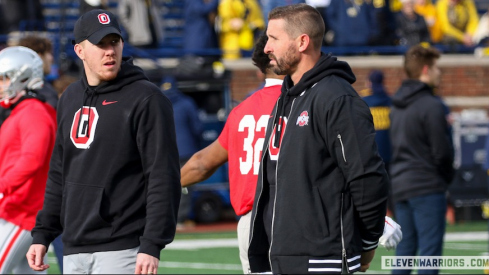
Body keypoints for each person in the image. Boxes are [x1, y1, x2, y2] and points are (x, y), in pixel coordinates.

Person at [26, 9, 181, 274]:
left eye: (114, 42)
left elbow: (162, 176)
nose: (109, 51)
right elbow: (59, 172)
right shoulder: (70, 97)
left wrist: (152, 243)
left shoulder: (147, 99)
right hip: (73, 247)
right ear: (80, 50)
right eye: (100, 44)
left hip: (123, 248)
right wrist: (43, 233)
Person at [248, 4, 389, 274]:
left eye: (274, 39)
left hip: (321, 258)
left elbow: (367, 176)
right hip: (281, 257)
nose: (266, 47)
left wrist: (368, 241)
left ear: (302, 42)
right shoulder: (288, 96)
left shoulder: (336, 98)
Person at [181, 32, 284, 273]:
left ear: (260, 68)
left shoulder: (242, 110)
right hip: (291, 216)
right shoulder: (303, 102)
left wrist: (164, 188)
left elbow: (202, 164)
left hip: (250, 224)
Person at [389, 44, 455, 275]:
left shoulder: (396, 107)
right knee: (430, 252)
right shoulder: (432, 105)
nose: (440, 73)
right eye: (437, 68)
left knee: (404, 251)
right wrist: (446, 179)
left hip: (400, 185)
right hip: (427, 185)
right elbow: (442, 152)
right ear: (426, 70)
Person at [0, 46, 57, 274]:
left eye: (4, 78)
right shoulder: (23, 111)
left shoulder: (34, 112)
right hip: (19, 207)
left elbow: (32, 160)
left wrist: (2, 187)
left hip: (24, 211)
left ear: (21, 77)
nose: (1, 84)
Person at [162, 75, 203, 229]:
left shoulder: (158, 102)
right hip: (186, 151)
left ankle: (166, 220)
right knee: (185, 185)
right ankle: (180, 219)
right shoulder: (186, 103)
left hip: (164, 152)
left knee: (166, 186)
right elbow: (197, 128)